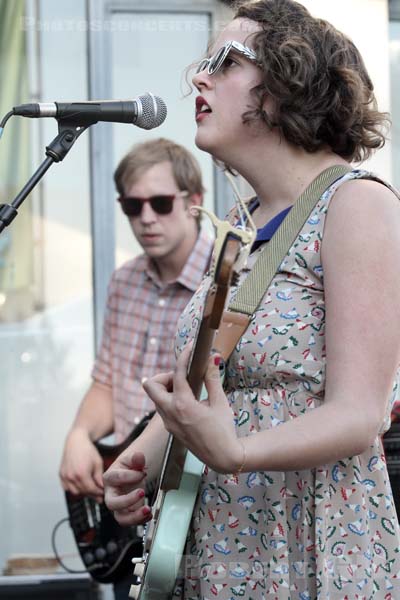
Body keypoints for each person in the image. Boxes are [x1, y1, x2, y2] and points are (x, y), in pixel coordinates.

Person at [103, 1, 400, 598]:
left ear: (286, 84)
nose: (197, 78)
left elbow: (359, 414)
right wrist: (147, 452)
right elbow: (221, 382)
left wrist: (236, 452)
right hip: (219, 540)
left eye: (224, 61)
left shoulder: (357, 205)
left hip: (305, 535)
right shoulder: (240, 226)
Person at [59, 137, 213, 599]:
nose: (146, 217)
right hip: (130, 503)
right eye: (132, 205)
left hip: (196, 500)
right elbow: (108, 381)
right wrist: (78, 436)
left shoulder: (227, 280)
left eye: (161, 203)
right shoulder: (124, 280)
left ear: (195, 202)